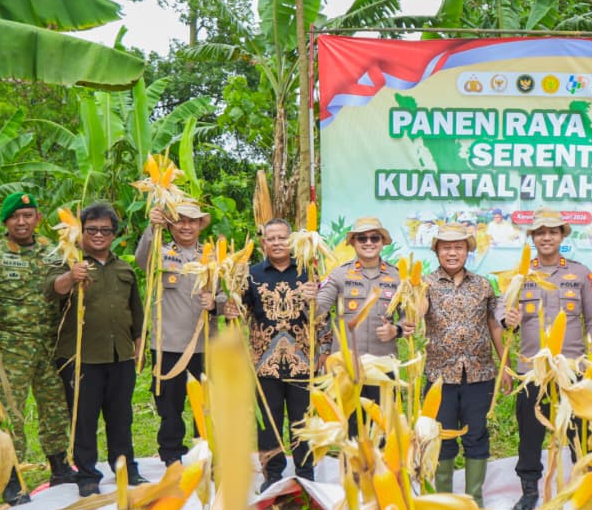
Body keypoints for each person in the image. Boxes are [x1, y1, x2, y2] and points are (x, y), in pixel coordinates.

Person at [0, 193, 74, 504]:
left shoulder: (53, 251)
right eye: (14, 217)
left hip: (50, 346)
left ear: (38, 218)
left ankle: (60, 466)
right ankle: (11, 477)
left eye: (27, 215)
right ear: (6, 221)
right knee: (10, 413)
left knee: (55, 407)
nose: (21, 222)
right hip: (10, 348)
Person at [497, 209, 592, 510]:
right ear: (533, 238)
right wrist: (507, 319)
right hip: (532, 370)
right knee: (530, 433)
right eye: (540, 232)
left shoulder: (581, 274)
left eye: (553, 232)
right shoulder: (519, 275)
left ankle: (586, 489)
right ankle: (529, 491)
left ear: (562, 236)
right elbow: (501, 311)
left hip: (572, 369)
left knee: (580, 432)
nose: (546, 237)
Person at [49, 202, 144, 497]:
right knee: (84, 419)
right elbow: (53, 290)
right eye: (92, 230)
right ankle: (88, 474)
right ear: (81, 232)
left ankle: (126, 468)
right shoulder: (69, 263)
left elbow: (136, 312)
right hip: (81, 358)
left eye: (105, 230)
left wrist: (139, 346)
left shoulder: (124, 268)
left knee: (121, 417)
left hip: (120, 355)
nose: (99, 235)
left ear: (114, 234)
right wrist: (71, 277)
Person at [418, 224, 504, 507]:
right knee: (440, 436)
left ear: (467, 251)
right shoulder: (425, 284)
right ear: (437, 252)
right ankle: (444, 500)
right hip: (440, 375)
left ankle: (473, 499)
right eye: (446, 248)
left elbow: (493, 324)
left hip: (479, 373)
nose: (452, 253)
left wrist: (504, 364)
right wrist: (415, 304)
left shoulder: (483, 285)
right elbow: (417, 313)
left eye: (458, 247)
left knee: (476, 435)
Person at [232, 219, 317, 490]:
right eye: (272, 239)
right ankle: (272, 476)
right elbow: (238, 311)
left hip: (302, 362)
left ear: (292, 242)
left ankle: (306, 475)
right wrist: (228, 308)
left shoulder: (308, 272)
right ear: (264, 243)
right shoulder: (251, 274)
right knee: (268, 422)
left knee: (303, 421)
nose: (277, 243)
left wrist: (314, 301)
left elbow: (323, 317)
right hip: (264, 363)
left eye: (282, 238)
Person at [135, 201, 221, 467]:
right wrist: (153, 227)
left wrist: (216, 303)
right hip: (169, 344)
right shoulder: (160, 253)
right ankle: (171, 455)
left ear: (199, 225)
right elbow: (141, 259)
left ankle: (205, 451)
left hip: (205, 344)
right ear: (171, 225)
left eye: (192, 221)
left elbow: (228, 294)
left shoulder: (213, 257)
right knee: (169, 405)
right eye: (180, 221)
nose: (186, 226)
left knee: (207, 404)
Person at [315, 216, 414, 430]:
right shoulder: (339, 274)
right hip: (348, 368)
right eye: (362, 238)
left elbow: (409, 317)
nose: (368, 242)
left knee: (385, 431)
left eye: (374, 238)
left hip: (383, 365)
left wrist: (396, 330)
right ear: (353, 242)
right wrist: (308, 297)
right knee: (351, 431)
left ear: (382, 242)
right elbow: (318, 309)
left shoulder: (397, 276)